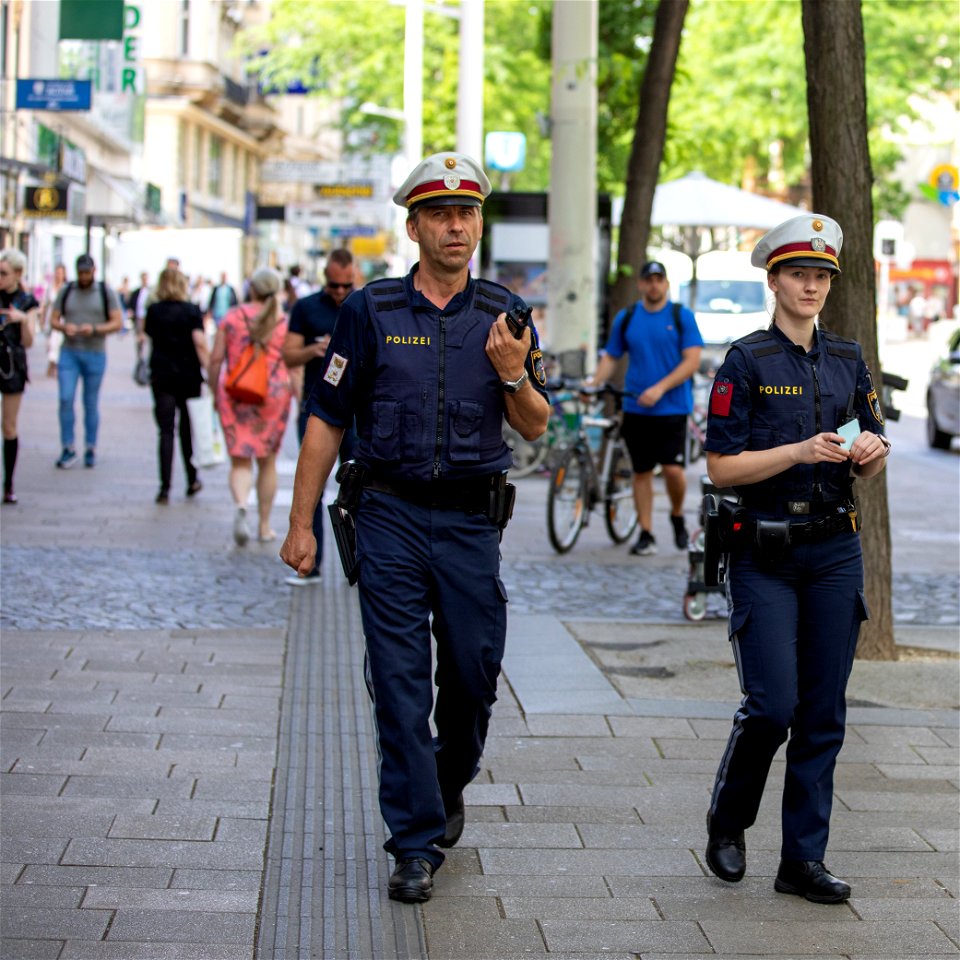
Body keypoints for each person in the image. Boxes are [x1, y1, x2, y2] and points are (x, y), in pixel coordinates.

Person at [279, 152, 550, 905]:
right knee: (398, 685)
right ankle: (413, 841)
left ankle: (445, 781)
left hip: (469, 523)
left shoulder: (507, 314)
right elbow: (327, 419)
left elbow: (535, 425)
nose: (456, 225)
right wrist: (300, 525)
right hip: (388, 515)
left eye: (466, 213)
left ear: (479, 224)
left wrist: (512, 372)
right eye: (440, 214)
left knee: (470, 676)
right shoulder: (369, 311)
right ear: (414, 227)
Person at [702, 214, 891, 905]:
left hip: (834, 550)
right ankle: (728, 820)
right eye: (797, 275)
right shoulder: (746, 361)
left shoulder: (847, 359)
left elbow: (868, 443)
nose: (810, 286)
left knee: (822, 712)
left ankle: (802, 860)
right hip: (765, 552)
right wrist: (798, 451)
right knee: (773, 705)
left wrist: (871, 453)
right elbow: (722, 467)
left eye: (820, 276)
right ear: (773, 280)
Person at [584, 260, 703, 555]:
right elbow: (611, 356)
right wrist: (594, 383)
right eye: (648, 280)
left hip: (672, 407)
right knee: (641, 472)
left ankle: (676, 515)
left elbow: (692, 360)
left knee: (673, 470)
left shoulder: (680, 316)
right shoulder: (627, 318)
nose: (654, 285)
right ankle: (646, 532)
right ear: (641, 284)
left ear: (666, 284)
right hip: (635, 408)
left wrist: (660, 388)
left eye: (659, 280)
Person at [280, 248, 356, 587]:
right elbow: (288, 355)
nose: (339, 292)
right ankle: (312, 562)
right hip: (318, 408)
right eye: (333, 285)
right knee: (313, 485)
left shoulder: (363, 307)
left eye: (346, 286)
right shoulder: (307, 307)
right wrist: (315, 349)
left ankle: (363, 563)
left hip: (357, 413)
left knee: (360, 487)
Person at [208, 267, 293, 546]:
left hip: (236, 392)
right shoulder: (283, 320)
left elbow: (216, 358)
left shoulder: (233, 317)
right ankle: (265, 526)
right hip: (273, 393)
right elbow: (291, 361)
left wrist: (212, 390)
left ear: (252, 289)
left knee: (240, 460)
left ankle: (241, 504)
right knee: (267, 461)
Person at [49, 253, 124, 469]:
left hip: (95, 352)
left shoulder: (104, 292)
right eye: (81, 272)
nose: (84, 276)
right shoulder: (67, 290)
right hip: (69, 351)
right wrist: (65, 327)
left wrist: (94, 329)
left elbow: (117, 322)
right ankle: (68, 447)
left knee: (90, 403)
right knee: (65, 399)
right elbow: (53, 319)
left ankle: (90, 446)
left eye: (87, 272)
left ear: (94, 271)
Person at [144, 268, 209, 504]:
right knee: (186, 430)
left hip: (162, 375)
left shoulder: (153, 311)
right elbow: (200, 343)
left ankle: (164, 487)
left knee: (165, 431)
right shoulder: (191, 311)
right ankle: (192, 479)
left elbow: (149, 337)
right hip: (188, 376)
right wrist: (210, 370)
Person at [0, 249, 39, 503]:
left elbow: (29, 341)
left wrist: (22, 319)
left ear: (17, 274)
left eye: (3, 273)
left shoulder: (27, 301)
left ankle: (9, 484)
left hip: (12, 365)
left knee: (9, 425)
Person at [40, 263, 67, 377]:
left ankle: (54, 365)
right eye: (57, 272)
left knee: (58, 342)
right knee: (50, 343)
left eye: (61, 273)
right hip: (50, 319)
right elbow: (45, 305)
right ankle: (51, 364)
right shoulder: (49, 287)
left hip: (62, 320)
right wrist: (42, 319)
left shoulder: (66, 287)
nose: (58, 275)